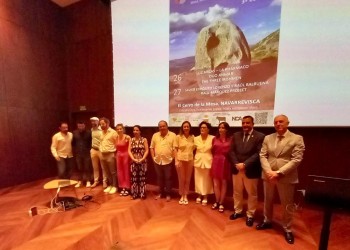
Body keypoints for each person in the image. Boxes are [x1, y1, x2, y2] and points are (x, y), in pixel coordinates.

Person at [256, 114, 305, 244]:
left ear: (288, 123)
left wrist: (279, 172)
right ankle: (267, 221)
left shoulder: (297, 138)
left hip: (285, 176)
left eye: (281, 121)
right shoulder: (268, 138)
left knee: (287, 203)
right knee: (268, 200)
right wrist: (268, 171)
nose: (278, 124)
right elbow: (262, 155)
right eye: (276, 122)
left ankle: (287, 228)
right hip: (268, 175)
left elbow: (296, 159)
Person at [228, 115, 265, 227]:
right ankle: (238, 211)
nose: (245, 125)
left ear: (253, 124)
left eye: (248, 123)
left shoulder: (260, 136)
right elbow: (231, 151)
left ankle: (250, 215)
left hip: (251, 170)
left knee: (252, 194)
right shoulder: (236, 135)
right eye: (243, 123)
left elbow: (258, 154)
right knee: (237, 192)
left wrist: (245, 164)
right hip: (237, 169)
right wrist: (237, 164)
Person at [150, 120, 176, 201]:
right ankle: (161, 193)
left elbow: (175, 148)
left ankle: (168, 194)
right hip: (157, 161)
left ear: (167, 126)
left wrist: (172, 158)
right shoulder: (155, 135)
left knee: (168, 178)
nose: (162, 128)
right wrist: (153, 157)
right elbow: (152, 147)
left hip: (168, 161)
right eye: (160, 126)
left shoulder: (173, 135)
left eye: (163, 126)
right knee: (160, 178)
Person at [211, 122, 232, 213]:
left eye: (223, 128)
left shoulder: (231, 139)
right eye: (219, 127)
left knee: (224, 183)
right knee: (215, 183)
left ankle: (221, 202)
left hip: (225, 162)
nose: (220, 129)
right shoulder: (214, 139)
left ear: (226, 129)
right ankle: (217, 201)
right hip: (216, 161)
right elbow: (212, 151)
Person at [193, 121, 214, 206]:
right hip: (198, 160)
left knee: (207, 180)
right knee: (198, 179)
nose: (202, 129)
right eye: (201, 127)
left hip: (208, 160)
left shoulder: (213, 138)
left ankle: (205, 196)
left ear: (208, 129)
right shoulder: (195, 138)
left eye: (204, 127)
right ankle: (199, 195)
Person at [174, 121, 195, 205]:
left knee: (188, 178)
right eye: (184, 126)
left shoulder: (193, 137)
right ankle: (181, 195)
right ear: (182, 128)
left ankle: (186, 195)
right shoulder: (178, 137)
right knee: (181, 178)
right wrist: (176, 160)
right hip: (180, 160)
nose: (186, 128)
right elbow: (175, 149)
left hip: (190, 160)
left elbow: (194, 148)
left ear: (190, 128)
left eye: (187, 126)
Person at [128, 125, 149, 199]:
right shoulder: (131, 140)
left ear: (140, 131)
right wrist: (133, 159)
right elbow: (129, 151)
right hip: (133, 162)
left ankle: (142, 193)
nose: (135, 132)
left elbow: (147, 150)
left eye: (137, 130)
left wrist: (142, 159)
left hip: (142, 162)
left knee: (142, 178)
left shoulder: (144, 139)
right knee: (134, 178)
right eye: (134, 130)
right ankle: (134, 194)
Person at [99, 117, 118, 194]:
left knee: (113, 172)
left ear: (107, 123)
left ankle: (115, 186)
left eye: (103, 124)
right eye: (100, 124)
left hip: (110, 154)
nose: (101, 125)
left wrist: (115, 154)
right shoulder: (101, 132)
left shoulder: (113, 132)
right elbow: (101, 143)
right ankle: (110, 185)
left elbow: (116, 144)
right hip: (102, 154)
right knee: (106, 172)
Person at [72, 121, 93, 188]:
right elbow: (73, 143)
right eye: (79, 126)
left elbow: (91, 142)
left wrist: (89, 150)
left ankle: (88, 181)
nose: (80, 127)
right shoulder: (74, 133)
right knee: (79, 168)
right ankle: (80, 181)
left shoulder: (89, 133)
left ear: (84, 126)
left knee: (87, 167)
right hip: (78, 153)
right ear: (77, 126)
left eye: (82, 126)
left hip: (87, 153)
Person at [90, 117, 107, 188]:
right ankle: (96, 181)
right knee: (95, 167)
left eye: (94, 121)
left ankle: (105, 182)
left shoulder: (102, 130)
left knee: (103, 167)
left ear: (98, 122)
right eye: (92, 121)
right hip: (93, 150)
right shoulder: (91, 130)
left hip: (101, 150)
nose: (93, 123)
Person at [116, 123, 131, 196]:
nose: (119, 130)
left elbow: (130, 148)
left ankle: (127, 187)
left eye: (120, 129)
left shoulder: (127, 137)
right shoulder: (116, 137)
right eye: (118, 129)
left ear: (123, 129)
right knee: (120, 172)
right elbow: (116, 147)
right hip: (118, 155)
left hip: (126, 155)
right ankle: (122, 187)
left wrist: (128, 155)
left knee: (126, 171)